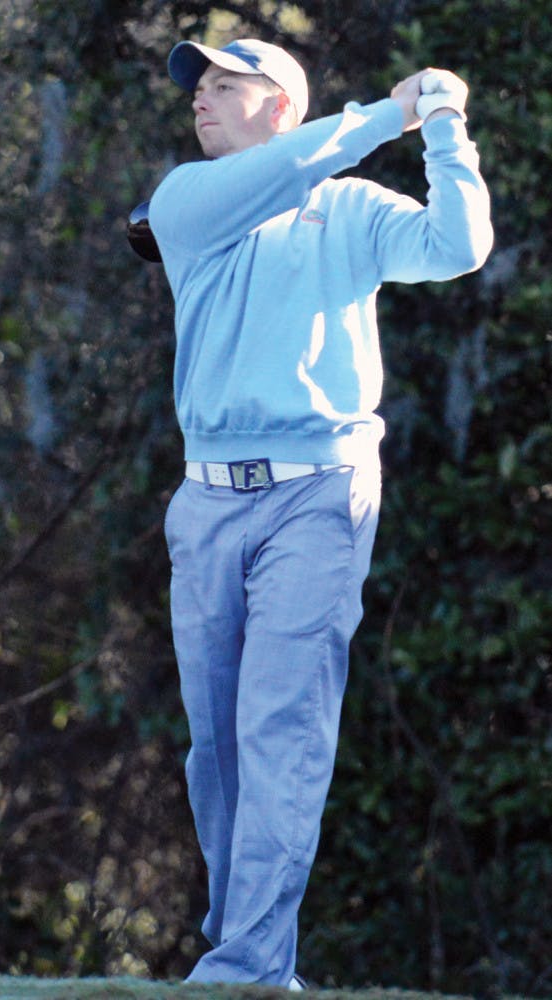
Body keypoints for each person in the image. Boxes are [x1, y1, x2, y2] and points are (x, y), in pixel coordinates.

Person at [148, 37, 492, 989]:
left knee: (278, 728)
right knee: (214, 749)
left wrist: (446, 128)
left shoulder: (351, 207)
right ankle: (242, 947)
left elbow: (458, 247)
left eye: (226, 85)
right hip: (206, 501)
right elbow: (294, 167)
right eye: (198, 88)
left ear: (283, 106)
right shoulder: (185, 202)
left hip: (318, 493)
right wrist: (393, 112)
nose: (201, 101)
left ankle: (250, 963)